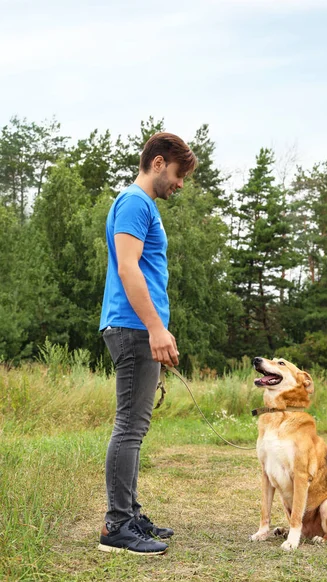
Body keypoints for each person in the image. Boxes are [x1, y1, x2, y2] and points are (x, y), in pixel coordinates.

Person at [98, 132, 197, 555]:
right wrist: (156, 328)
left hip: (136, 326)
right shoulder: (135, 202)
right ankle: (117, 526)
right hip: (134, 327)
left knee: (135, 427)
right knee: (130, 427)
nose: (179, 185)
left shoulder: (142, 206)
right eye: (178, 175)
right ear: (158, 163)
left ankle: (130, 514)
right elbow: (127, 268)